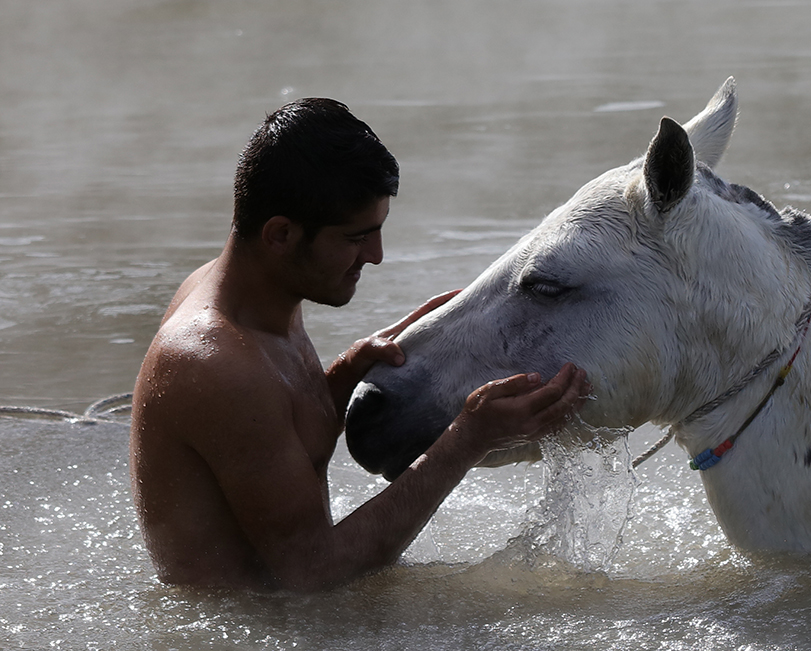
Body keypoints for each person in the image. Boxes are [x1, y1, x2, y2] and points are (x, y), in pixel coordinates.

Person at [128, 98, 589, 592]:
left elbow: (274, 438)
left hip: (295, 614)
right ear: (281, 234)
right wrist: (469, 438)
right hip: (252, 633)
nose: (376, 256)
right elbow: (311, 571)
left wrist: (346, 372)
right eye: (356, 238)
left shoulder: (259, 297)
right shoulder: (214, 363)